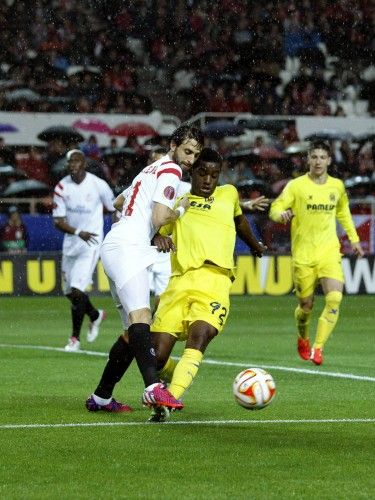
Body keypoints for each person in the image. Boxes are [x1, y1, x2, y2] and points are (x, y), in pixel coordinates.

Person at [85, 125, 204, 413]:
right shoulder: (171, 171)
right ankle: (153, 388)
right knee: (142, 317)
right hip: (128, 248)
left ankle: (101, 397)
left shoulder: (149, 169)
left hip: (118, 243)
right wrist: (183, 209)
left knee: (131, 332)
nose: (190, 159)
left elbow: (118, 202)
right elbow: (161, 215)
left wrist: (148, 231)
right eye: (187, 151)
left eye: (195, 155)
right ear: (174, 144)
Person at [148, 147, 266, 421]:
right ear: (192, 172)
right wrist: (157, 238)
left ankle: (169, 400)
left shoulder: (229, 194)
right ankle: (169, 376)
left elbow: (239, 221)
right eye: (202, 173)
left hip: (215, 280)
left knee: (200, 336)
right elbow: (155, 230)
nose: (208, 180)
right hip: (179, 282)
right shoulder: (178, 201)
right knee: (157, 357)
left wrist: (256, 245)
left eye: (214, 175)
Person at [269, 141, 364, 366]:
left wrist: (355, 240)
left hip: (329, 252)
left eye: (322, 157)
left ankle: (318, 348)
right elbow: (275, 208)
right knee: (306, 306)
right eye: (314, 157)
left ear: (329, 160)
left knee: (334, 298)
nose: (318, 161)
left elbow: (343, 212)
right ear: (308, 160)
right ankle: (303, 337)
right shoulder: (296, 186)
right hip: (303, 255)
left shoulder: (337, 186)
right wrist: (280, 216)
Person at [53, 150, 115, 352]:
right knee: (70, 293)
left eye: (77, 161)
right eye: (70, 161)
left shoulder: (98, 185)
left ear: (84, 164)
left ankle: (74, 339)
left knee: (78, 290)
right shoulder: (62, 187)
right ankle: (95, 315)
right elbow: (58, 221)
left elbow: (114, 208)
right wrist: (78, 232)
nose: (73, 164)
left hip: (91, 244)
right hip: (72, 243)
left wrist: (115, 233)